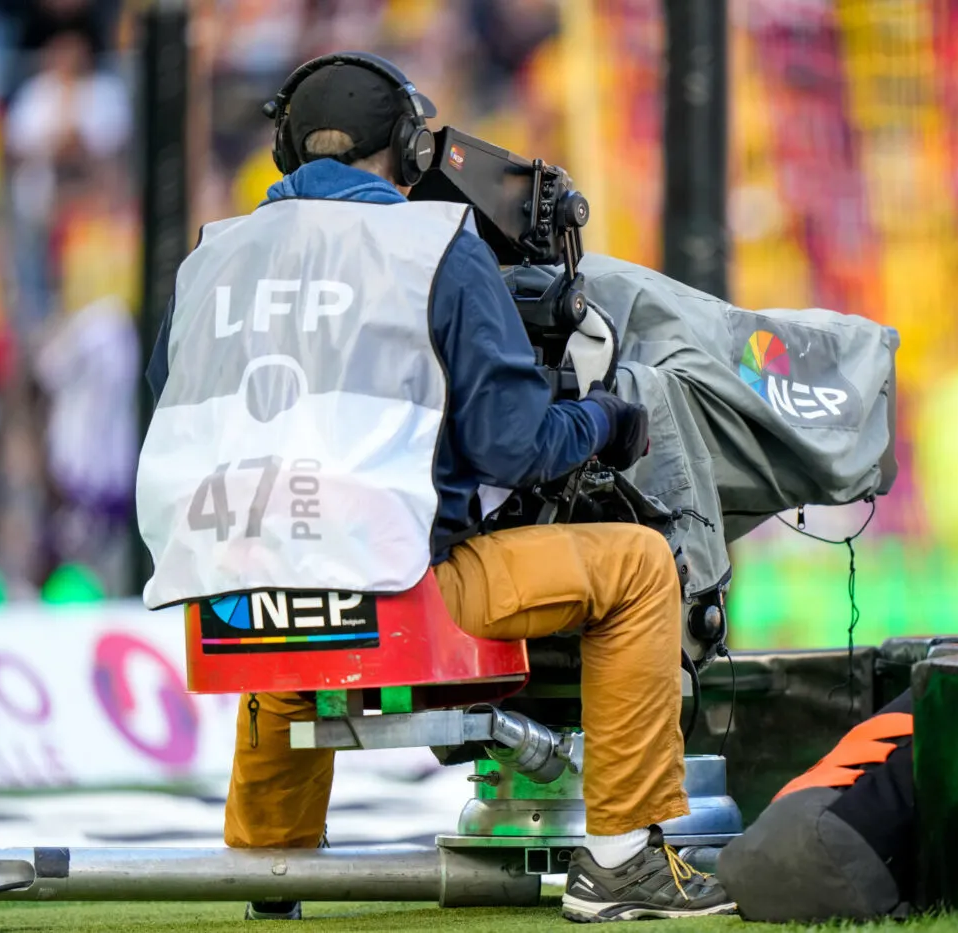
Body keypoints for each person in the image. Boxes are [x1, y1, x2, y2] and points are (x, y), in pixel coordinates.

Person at [135, 52, 735, 923]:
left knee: (291, 561)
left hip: (237, 603)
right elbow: (515, 446)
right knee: (640, 565)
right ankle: (621, 860)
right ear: (414, 150)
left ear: (284, 150)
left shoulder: (209, 259)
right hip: (402, 594)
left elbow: (174, 403)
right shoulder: (435, 247)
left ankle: (267, 867)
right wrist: (605, 419)